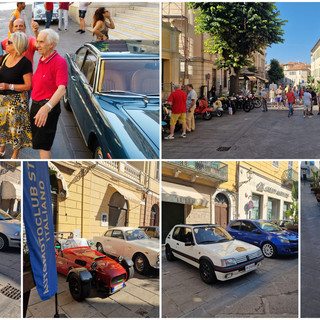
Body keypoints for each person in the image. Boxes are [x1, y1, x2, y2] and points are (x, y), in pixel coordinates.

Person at [30, 29, 68, 159]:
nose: (37, 45)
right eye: (37, 41)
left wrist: (46, 108)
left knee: (44, 147)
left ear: (51, 44)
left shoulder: (59, 62)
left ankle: (43, 174)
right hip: (37, 105)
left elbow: (62, 89)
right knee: (44, 143)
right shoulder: (43, 58)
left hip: (46, 107)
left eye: (41, 42)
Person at [0, 32, 32, 159]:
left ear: (17, 45)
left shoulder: (25, 63)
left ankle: (15, 154)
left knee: (15, 129)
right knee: (1, 126)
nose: (6, 44)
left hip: (16, 101)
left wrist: (9, 86)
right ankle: (1, 149)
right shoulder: (6, 57)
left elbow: (28, 85)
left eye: (9, 42)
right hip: (2, 99)